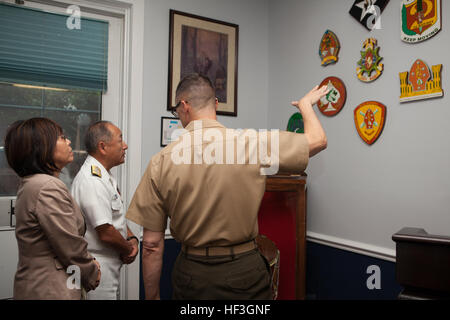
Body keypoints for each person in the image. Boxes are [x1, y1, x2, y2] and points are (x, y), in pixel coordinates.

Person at [126, 74, 328, 300]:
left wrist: (152, 297)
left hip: (192, 274)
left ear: (184, 106)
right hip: (244, 272)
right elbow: (318, 140)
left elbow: (151, 245)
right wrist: (305, 106)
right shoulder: (252, 143)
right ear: (215, 104)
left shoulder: (161, 161)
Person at [4, 117, 101, 300]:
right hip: (51, 289)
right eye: (62, 137)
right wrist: (92, 270)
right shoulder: (46, 186)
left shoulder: (35, 183)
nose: (69, 141)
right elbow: (70, 245)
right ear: (42, 147)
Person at [71, 121, 139, 300]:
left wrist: (131, 237)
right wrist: (128, 249)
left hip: (109, 260)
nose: (125, 146)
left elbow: (115, 218)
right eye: (120, 140)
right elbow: (106, 231)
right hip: (97, 265)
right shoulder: (92, 180)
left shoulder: (104, 175)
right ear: (103, 146)